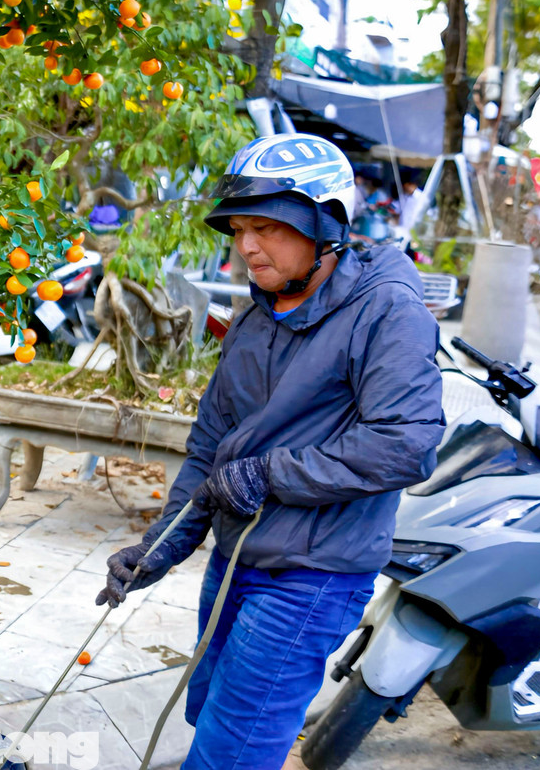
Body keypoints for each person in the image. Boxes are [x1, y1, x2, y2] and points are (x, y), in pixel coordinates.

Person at [96, 134, 446, 770]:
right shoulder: (254, 318)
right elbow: (211, 446)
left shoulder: (388, 313)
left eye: (267, 228)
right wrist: (160, 547)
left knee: (234, 746)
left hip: (313, 573)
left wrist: (270, 473)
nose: (247, 246)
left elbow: (406, 444)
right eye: (238, 229)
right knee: (211, 714)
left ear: (324, 226)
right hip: (235, 558)